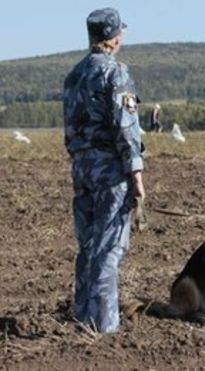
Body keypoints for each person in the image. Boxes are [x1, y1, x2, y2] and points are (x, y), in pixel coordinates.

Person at [63, 8, 144, 333]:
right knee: (109, 247)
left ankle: (83, 318)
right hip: (110, 169)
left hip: (82, 167)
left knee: (88, 247)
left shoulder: (73, 75)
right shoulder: (116, 73)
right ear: (114, 38)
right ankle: (105, 326)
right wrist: (135, 172)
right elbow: (126, 126)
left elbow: (69, 128)